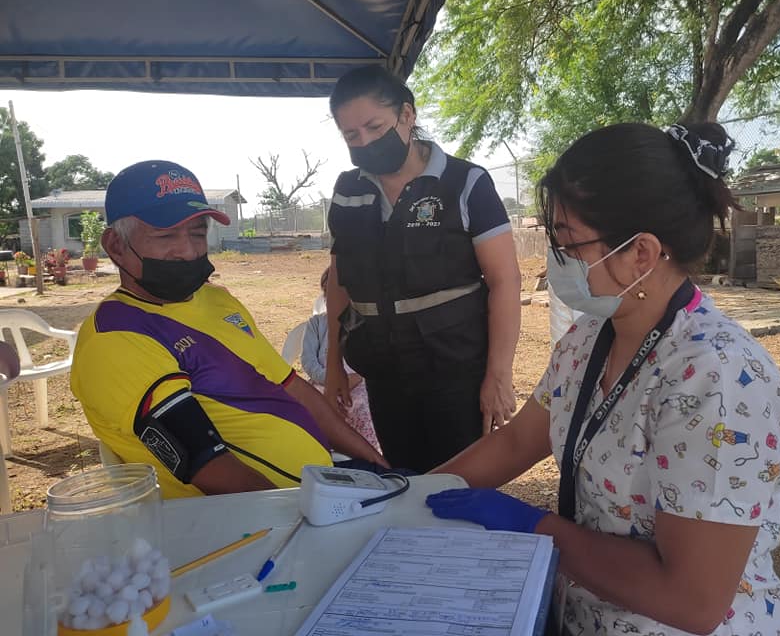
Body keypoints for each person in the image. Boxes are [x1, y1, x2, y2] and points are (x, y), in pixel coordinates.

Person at [426, 123, 780, 636]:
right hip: (586, 612)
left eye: (569, 243)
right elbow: (517, 440)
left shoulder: (716, 378)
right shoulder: (588, 340)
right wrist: (410, 492)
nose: (556, 261)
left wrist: (538, 527)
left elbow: (692, 601)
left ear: (640, 253)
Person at [71, 160, 387, 499]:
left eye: (197, 233)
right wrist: (301, 513)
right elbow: (206, 464)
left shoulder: (217, 301)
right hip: (252, 517)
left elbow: (293, 387)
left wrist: (377, 464)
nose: (188, 251)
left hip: (319, 487)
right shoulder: (117, 338)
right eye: (166, 236)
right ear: (116, 246)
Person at [324, 65, 522, 474]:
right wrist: (333, 366)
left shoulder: (465, 183)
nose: (365, 142)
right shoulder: (348, 191)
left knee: (461, 486)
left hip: (455, 370)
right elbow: (339, 282)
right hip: (385, 371)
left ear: (407, 115)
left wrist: (498, 375)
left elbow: (505, 281)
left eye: (375, 127)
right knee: (407, 480)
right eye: (351, 135)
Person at [301, 267, 381, 452]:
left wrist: (356, 378)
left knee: (363, 407)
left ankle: (366, 454)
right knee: (313, 407)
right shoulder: (316, 324)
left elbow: (371, 359)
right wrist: (329, 379)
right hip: (321, 383)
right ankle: (322, 452)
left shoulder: (363, 324)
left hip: (357, 385)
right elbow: (308, 361)